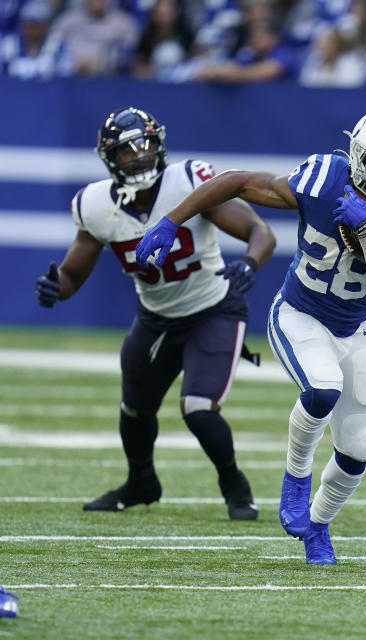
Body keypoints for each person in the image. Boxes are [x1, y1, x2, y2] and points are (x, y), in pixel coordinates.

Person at [135, 107, 366, 565]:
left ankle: (317, 527)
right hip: (300, 314)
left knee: (359, 449)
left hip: (356, 330)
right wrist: (172, 219)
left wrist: (365, 231)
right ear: (359, 155)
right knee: (322, 389)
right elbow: (239, 181)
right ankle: (296, 478)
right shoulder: (324, 178)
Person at [34, 107, 275, 520]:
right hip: (155, 317)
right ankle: (142, 482)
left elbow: (260, 232)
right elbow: (73, 273)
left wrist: (249, 264)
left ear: (159, 144)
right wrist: (58, 287)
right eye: (126, 151)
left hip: (213, 308)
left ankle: (234, 484)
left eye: (143, 145)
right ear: (110, 160)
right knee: (134, 409)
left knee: (198, 407)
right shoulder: (95, 205)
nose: (138, 156)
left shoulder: (187, 183)